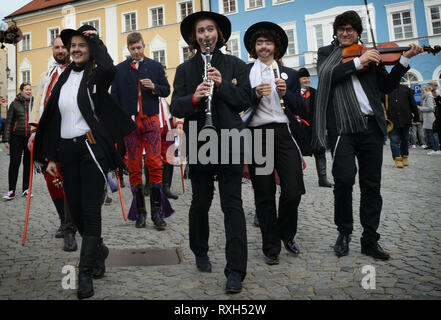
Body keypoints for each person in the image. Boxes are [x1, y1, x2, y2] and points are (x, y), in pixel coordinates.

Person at [33, 25, 136, 299]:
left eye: (82, 45)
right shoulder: (64, 77)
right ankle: (99, 249)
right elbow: (54, 118)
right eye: (73, 45)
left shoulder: (96, 75)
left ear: (89, 50)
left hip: (91, 150)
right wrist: (51, 156)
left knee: (91, 212)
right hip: (66, 152)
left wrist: (95, 40)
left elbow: (110, 68)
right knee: (75, 213)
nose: (76, 49)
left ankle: (86, 272)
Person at [312, 11, 423, 260]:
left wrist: (404, 59)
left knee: (371, 186)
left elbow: (385, 87)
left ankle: (370, 239)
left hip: (371, 127)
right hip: (342, 127)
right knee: (343, 180)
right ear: (336, 31)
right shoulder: (326, 54)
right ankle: (344, 232)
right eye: (341, 28)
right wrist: (358, 63)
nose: (345, 32)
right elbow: (328, 75)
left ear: (358, 31)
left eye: (350, 29)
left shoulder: (372, 55)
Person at [170, 11, 252, 293]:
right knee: (201, 202)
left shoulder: (235, 65)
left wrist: (222, 85)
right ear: (194, 37)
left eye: (210, 30)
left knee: (232, 205)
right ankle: (200, 250)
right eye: (200, 31)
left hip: (230, 138)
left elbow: (245, 100)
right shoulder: (184, 70)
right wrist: (194, 98)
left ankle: (236, 270)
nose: (206, 35)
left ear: (219, 34)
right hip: (200, 140)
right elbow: (175, 107)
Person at [241, 21, 305, 265]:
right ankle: (271, 245)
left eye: (268, 43)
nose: (263, 47)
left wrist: (286, 92)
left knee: (292, 190)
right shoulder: (247, 72)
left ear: (276, 47)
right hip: (257, 136)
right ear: (254, 47)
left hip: (283, 134)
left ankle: (287, 234)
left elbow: (302, 108)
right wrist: (255, 93)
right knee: (264, 194)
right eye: (259, 43)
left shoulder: (290, 74)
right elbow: (239, 103)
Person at [111, 32, 172, 230]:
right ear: (128, 49)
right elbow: (115, 99)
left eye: (139, 48)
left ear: (144, 46)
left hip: (152, 120)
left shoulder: (154, 66)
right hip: (130, 124)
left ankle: (157, 212)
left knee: (155, 163)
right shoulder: (119, 70)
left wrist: (154, 86)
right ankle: (141, 213)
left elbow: (166, 90)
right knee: (135, 166)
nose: (136, 51)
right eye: (133, 48)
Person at [27, 36, 78, 251]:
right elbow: (38, 105)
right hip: (49, 135)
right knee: (51, 178)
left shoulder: (77, 72)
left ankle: (70, 227)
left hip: (70, 132)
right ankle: (62, 218)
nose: (59, 50)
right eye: (56, 47)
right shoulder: (46, 76)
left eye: (63, 47)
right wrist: (33, 131)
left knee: (69, 179)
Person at [144, 65, 179, 200]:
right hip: (153, 123)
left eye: (165, 74)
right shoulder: (150, 87)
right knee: (151, 155)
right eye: (162, 74)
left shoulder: (163, 90)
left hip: (167, 124)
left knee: (169, 155)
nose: (165, 76)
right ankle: (149, 184)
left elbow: (167, 102)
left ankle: (166, 187)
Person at [297, 67, 333, 187]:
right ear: (299, 80)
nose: (307, 80)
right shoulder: (293, 93)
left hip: (315, 127)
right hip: (299, 128)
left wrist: (326, 126)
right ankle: (297, 179)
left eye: (308, 78)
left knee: (320, 151)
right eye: (304, 78)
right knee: (296, 153)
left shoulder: (315, 92)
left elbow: (323, 110)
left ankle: (322, 179)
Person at [3, 83, 32, 201]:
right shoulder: (14, 104)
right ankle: (11, 190)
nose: (29, 91)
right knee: (15, 162)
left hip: (30, 138)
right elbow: (9, 123)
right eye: (26, 89)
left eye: (30, 89)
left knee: (28, 163)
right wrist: (6, 139)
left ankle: (26, 189)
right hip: (16, 137)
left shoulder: (34, 104)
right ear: (21, 91)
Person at [385, 84, 419, 167]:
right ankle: (397, 158)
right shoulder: (386, 89)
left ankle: (405, 157)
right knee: (394, 140)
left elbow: (412, 103)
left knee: (405, 139)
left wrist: (416, 117)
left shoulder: (406, 89)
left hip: (405, 118)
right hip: (392, 119)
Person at [419, 86, 441, 155]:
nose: (422, 92)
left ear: (426, 90)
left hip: (430, 118)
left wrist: (420, 108)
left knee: (433, 134)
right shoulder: (426, 97)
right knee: (431, 134)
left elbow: (431, 108)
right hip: (427, 118)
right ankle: (434, 149)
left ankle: (436, 149)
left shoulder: (428, 97)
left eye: (423, 90)